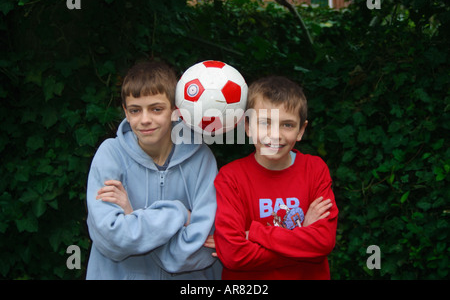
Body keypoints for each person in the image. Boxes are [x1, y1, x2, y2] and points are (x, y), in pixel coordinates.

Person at [85, 61, 221, 279]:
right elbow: (111, 240)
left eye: (156, 109)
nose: (145, 120)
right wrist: (178, 213)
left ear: (175, 112)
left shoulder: (201, 159)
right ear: (126, 113)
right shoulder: (110, 154)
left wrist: (132, 218)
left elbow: (206, 248)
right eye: (135, 110)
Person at [209, 76, 338, 279]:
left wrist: (256, 234)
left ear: (301, 130)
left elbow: (323, 242)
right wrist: (301, 237)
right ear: (248, 127)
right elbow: (234, 255)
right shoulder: (231, 177)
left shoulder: (314, 170)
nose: (275, 135)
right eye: (264, 123)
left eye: (287, 125)